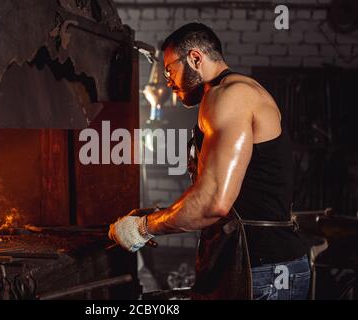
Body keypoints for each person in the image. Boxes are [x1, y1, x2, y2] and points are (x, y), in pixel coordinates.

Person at [109, 23, 310, 300]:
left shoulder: (228, 97)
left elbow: (214, 202)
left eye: (169, 70)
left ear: (194, 58)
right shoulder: (236, 92)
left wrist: (143, 228)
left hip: (261, 267)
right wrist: (157, 214)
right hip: (264, 264)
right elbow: (233, 197)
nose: (167, 81)